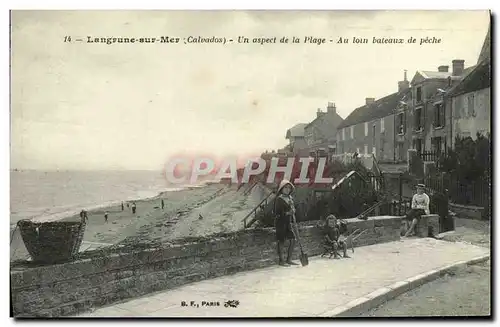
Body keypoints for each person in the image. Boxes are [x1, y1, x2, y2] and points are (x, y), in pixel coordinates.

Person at [274, 179, 298, 266]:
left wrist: (293, 210)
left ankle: (289, 259)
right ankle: (281, 261)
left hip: (288, 222)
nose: (287, 189)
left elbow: (293, 209)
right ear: (281, 189)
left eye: (289, 188)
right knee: (281, 241)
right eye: (285, 187)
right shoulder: (279, 199)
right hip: (280, 223)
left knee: (293, 239)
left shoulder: (290, 198)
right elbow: (277, 213)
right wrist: (288, 213)